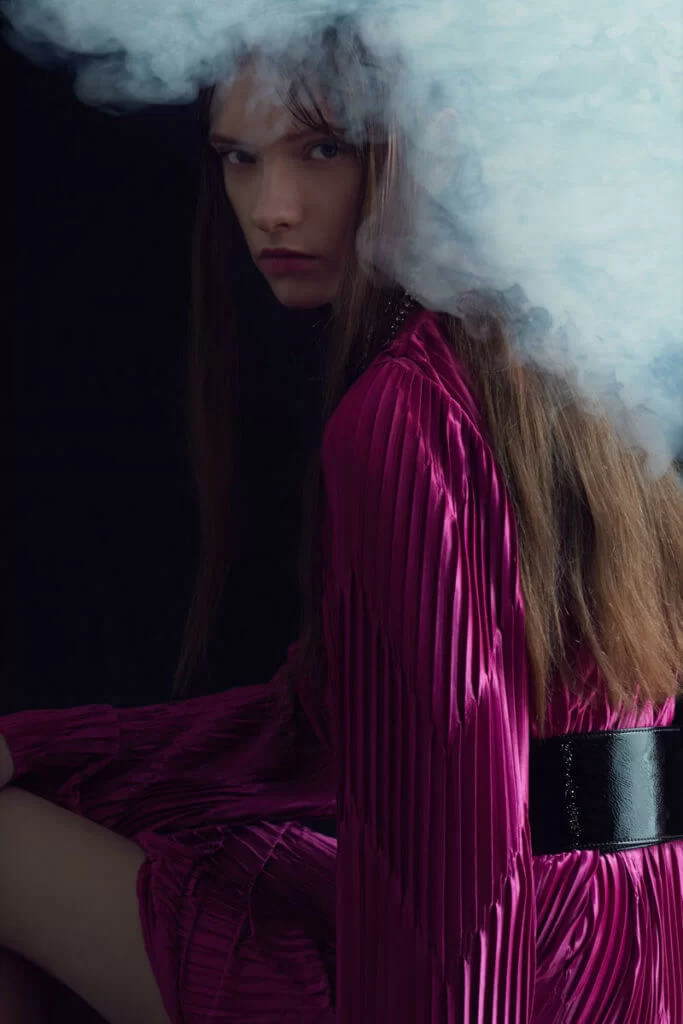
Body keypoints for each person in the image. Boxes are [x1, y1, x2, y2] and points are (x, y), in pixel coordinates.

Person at [1, 18, 682, 1024]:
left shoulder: (403, 413)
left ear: (418, 145)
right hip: (637, 948)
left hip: (496, 972)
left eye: (321, 149)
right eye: (238, 159)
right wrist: (38, 748)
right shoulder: (590, 368)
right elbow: (318, 728)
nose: (270, 208)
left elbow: (459, 832)